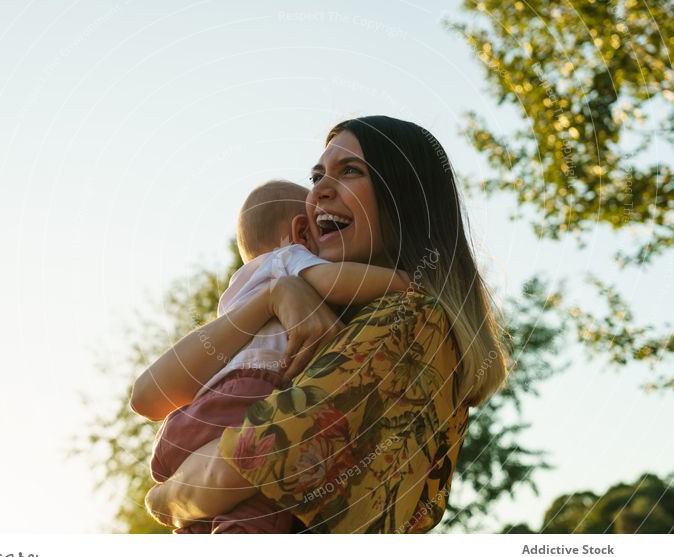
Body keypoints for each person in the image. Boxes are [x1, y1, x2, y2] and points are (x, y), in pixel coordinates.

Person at [141, 115, 509, 533]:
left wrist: (163, 498)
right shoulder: (323, 309)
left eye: (351, 171)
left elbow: (244, 466)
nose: (320, 191)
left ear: (405, 199)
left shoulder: (411, 321)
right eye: (316, 176)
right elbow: (147, 396)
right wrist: (272, 296)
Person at [136, 179, 411, 533]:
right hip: (253, 393)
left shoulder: (244, 286)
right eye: (320, 226)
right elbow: (332, 280)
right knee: (268, 498)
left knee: (210, 519)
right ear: (299, 231)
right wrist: (405, 281)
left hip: (195, 419)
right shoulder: (289, 258)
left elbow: (151, 400)